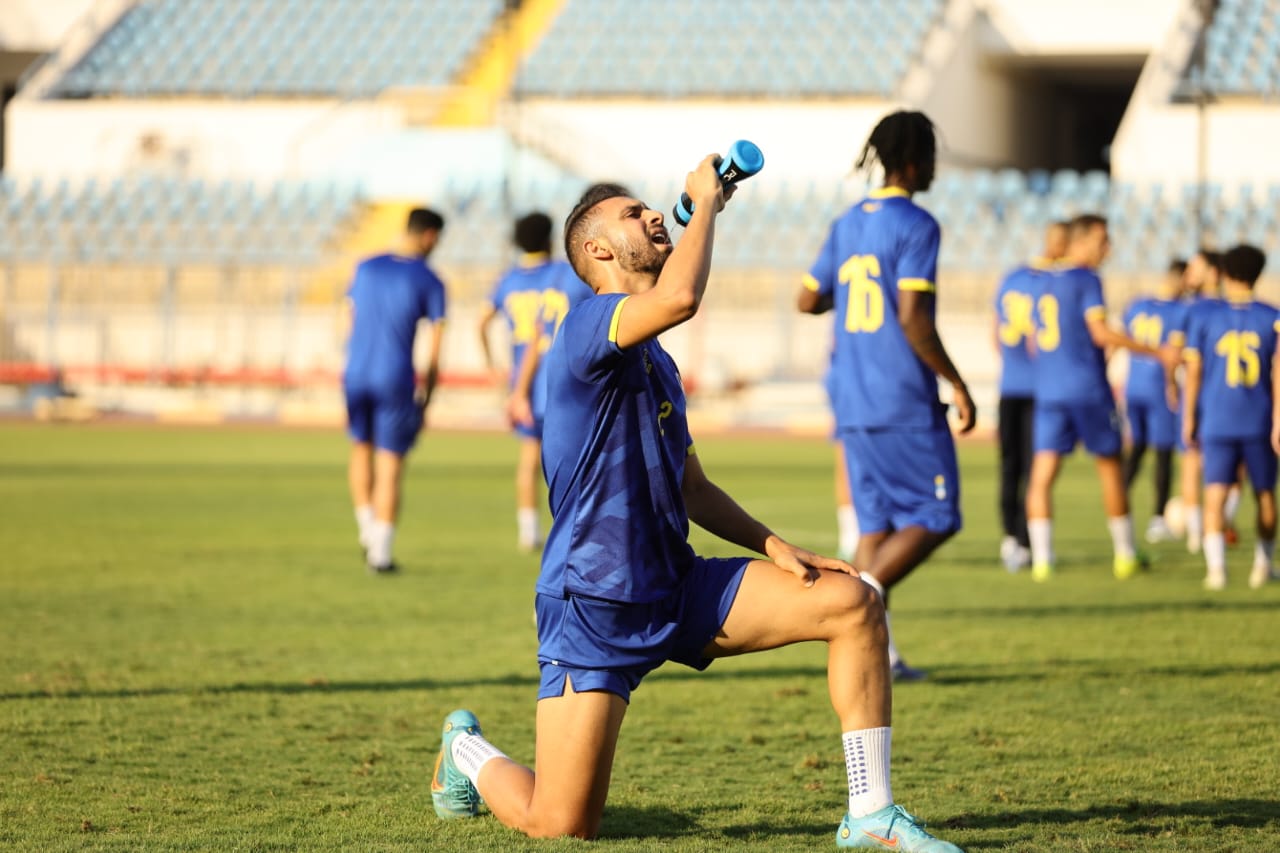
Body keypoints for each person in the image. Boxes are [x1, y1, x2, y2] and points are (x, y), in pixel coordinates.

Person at [431, 169, 965, 852]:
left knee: (855, 600)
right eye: (633, 215)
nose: (655, 216)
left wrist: (774, 545)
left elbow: (693, 487)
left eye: (656, 209)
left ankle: (870, 813)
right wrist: (707, 202)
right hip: (594, 605)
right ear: (597, 251)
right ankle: (467, 751)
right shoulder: (589, 321)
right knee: (560, 822)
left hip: (676, 585)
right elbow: (682, 294)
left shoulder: (656, 362)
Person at [798, 110, 975, 682]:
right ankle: (846, 604)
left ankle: (880, 656)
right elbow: (912, 316)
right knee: (938, 515)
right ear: (914, 162)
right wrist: (956, 380)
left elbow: (807, 299)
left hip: (851, 396)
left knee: (876, 528)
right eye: (930, 158)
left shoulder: (847, 223)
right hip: (900, 396)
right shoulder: (917, 224)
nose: (934, 170)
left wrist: (845, 298)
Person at [1024, 214, 1176, 582]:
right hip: (1087, 391)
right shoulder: (1087, 279)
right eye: (1102, 240)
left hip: (1049, 391)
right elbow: (1100, 333)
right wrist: (1156, 352)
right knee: (1110, 469)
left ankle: (1043, 560)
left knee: (1042, 475)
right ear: (1082, 241)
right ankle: (1125, 555)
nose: (1108, 248)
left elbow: (1032, 340)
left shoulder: (1042, 282)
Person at [477, 212, 593, 551]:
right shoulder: (564, 274)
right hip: (563, 377)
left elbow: (481, 322)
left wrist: (494, 368)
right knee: (577, 460)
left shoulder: (507, 280)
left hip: (524, 382)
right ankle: (575, 530)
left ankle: (529, 530)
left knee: (529, 458)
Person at [341, 207, 447, 573]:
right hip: (395, 376)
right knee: (390, 463)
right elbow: (435, 347)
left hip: (355, 372)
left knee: (360, 448)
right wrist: (427, 400)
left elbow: (347, 319)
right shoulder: (429, 279)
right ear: (431, 236)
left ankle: (366, 528)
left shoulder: (366, 266)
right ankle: (381, 554)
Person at [1182, 244, 1278, 590]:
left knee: (1215, 492)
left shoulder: (1205, 316)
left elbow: (1193, 372)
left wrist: (1189, 415)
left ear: (1224, 273)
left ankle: (1217, 570)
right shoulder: (1272, 316)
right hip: (1259, 419)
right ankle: (1262, 564)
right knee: (1265, 494)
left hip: (1217, 418)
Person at [992, 222, 1068, 572]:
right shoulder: (1058, 283)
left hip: (1010, 385)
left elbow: (995, 329)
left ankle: (1012, 537)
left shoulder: (1014, 277)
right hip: (1041, 387)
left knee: (1010, 466)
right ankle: (1022, 541)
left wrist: (1010, 362)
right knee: (1032, 467)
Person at [1121, 259, 1188, 544]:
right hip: (1157, 388)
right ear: (1180, 278)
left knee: (1136, 448)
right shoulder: (1178, 311)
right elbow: (1171, 355)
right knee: (1163, 453)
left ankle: (1118, 505)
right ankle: (1158, 518)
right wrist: (1172, 386)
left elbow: (1120, 340)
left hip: (1132, 387)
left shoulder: (1138, 304)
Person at [1176, 248, 1225, 553]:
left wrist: (1171, 382)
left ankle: (1201, 533)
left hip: (1200, 394)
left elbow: (1179, 355)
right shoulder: (1233, 308)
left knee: (1192, 462)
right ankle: (1217, 524)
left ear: (1214, 272)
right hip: (1228, 398)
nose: (1188, 274)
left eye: (1195, 267)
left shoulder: (1191, 309)